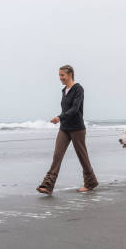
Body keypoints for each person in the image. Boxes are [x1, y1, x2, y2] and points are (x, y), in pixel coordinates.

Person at [36, 65, 98, 194]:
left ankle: (90, 182)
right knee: (57, 156)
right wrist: (61, 118)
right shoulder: (64, 90)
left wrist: (60, 117)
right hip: (64, 128)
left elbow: (75, 109)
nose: (60, 78)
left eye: (62, 75)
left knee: (82, 156)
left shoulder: (78, 89)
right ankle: (48, 185)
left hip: (77, 128)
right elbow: (66, 110)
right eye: (59, 75)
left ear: (70, 75)